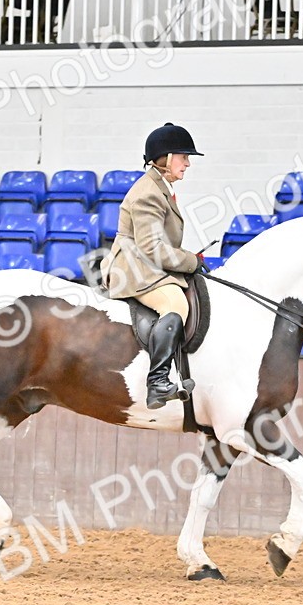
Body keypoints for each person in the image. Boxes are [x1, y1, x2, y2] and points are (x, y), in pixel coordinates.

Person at [100, 123, 206, 409]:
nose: (188, 163)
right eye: (184, 157)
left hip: (145, 264)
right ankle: (157, 382)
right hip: (134, 268)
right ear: (168, 157)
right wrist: (190, 261)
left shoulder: (161, 188)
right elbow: (151, 248)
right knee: (175, 304)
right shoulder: (148, 192)